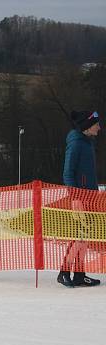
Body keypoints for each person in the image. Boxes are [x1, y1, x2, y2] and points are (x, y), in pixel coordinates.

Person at [59, 110, 101, 287]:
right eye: (96, 124)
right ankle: (64, 272)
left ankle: (79, 274)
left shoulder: (87, 142)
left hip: (90, 196)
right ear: (87, 127)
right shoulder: (76, 144)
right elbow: (68, 173)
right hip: (80, 198)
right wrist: (76, 198)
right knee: (78, 236)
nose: (99, 127)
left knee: (84, 237)